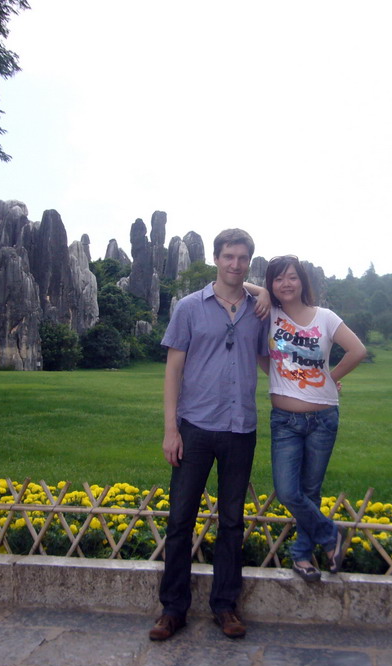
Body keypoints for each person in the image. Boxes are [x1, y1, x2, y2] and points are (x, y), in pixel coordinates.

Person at [150, 228, 269, 642]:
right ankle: (173, 609)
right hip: (195, 427)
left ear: (248, 263)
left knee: (232, 522)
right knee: (180, 519)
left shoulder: (260, 310)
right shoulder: (189, 307)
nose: (235, 265)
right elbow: (173, 369)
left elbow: (276, 362)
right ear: (216, 259)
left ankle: (225, 606)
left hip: (241, 429)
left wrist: (317, 383)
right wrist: (171, 429)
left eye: (242, 258)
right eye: (228, 257)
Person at [249, 255, 367, 582]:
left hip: (323, 418)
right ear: (271, 284)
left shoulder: (325, 318)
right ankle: (331, 536)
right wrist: (261, 292)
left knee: (310, 492)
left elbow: (357, 350)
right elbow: (239, 286)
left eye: (292, 277)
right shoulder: (269, 315)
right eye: (277, 279)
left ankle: (302, 556)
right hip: (285, 421)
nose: (285, 284)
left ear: (302, 281)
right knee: (288, 492)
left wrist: (330, 376)